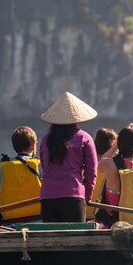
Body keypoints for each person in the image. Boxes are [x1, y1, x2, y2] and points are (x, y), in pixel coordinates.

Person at [38, 92, 98, 223]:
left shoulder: (45, 140)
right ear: (76, 117)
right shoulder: (84, 138)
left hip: (47, 197)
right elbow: (91, 172)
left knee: (52, 240)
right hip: (73, 197)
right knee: (75, 239)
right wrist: (87, 195)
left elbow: (44, 166)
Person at [0, 126, 42, 222]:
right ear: (32, 146)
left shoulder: (1, 165)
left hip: (10, 222)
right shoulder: (41, 164)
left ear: (14, 146)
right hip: (39, 219)